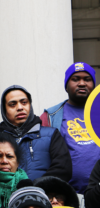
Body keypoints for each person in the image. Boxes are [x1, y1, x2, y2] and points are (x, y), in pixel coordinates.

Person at [40, 62, 99, 194]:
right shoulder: (49, 116)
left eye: (87, 79)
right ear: (66, 85)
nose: (82, 83)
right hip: (65, 195)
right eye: (75, 79)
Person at [0, 85, 72, 182]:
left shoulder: (51, 135)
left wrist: (36, 189)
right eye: (12, 104)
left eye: (24, 102)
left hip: (44, 195)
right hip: (7, 197)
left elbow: (63, 169)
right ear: (4, 110)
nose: (20, 107)